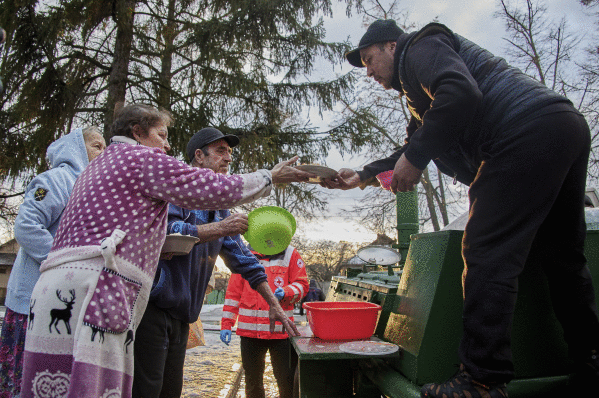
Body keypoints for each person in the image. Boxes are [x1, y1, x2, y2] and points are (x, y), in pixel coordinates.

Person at [323, 19, 599, 397]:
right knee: (563, 257)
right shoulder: (420, 96)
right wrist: (363, 174)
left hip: (521, 133)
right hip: (560, 125)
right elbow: (420, 139)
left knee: (485, 251)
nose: (368, 71)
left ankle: (483, 379)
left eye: (369, 60)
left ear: (391, 46)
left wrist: (417, 158)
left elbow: (461, 94)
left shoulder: (420, 47)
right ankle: (591, 361)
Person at [20, 104, 314, 398]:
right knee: (99, 387)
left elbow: (241, 257)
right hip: (101, 290)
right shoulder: (141, 161)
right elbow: (210, 189)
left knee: (59, 384)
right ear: (137, 132)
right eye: (161, 134)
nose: (167, 144)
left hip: (59, 292)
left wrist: (272, 302)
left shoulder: (100, 166)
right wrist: (270, 177)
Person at [132, 127, 281, 397]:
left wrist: (273, 302)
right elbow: (167, 233)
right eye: (221, 151)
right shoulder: (175, 191)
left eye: (230, 153)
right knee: (146, 389)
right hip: (152, 308)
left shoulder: (219, 208)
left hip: (182, 315)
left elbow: (244, 259)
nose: (228, 158)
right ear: (199, 156)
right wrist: (220, 229)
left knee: (170, 390)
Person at [0, 126, 106, 397]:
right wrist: (61, 261)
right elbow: (26, 226)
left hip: (59, 302)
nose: (103, 153)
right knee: (24, 380)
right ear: (77, 149)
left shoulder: (91, 186)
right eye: (97, 146)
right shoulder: (56, 180)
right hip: (31, 302)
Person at [220, 245, 308, 398]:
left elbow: (302, 284)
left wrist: (287, 291)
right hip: (250, 333)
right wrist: (226, 324)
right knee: (253, 382)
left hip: (281, 333)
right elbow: (233, 293)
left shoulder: (290, 254)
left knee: (286, 381)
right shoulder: (242, 254)